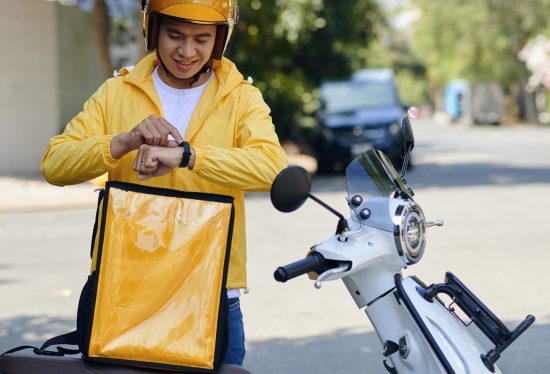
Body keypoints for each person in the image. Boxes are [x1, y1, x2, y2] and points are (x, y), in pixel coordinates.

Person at [41, 0, 287, 367]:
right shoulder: (116, 92)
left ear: (220, 39)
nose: (187, 51)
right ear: (152, 29)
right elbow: (55, 165)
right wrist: (122, 142)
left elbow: (273, 169)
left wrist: (189, 156)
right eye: (175, 35)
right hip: (125, 294)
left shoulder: (241, 98)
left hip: (210, 295)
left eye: (201, 39)